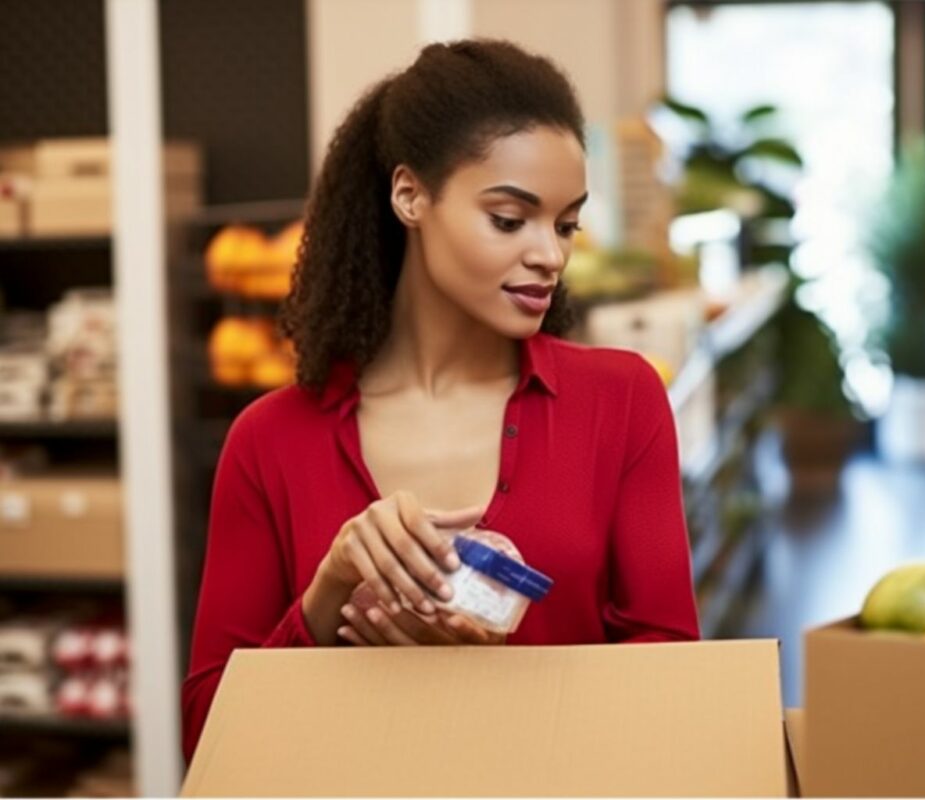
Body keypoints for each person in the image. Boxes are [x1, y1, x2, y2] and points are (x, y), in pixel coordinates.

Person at [181, 39, 699, 763]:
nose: (550, 254)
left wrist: (494, 674)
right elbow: (208, 734)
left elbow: (674, 673)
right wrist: (327, 597)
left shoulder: (622, 401)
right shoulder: (269, 440)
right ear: (410, 196)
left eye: (566, 223)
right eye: (510, 219)